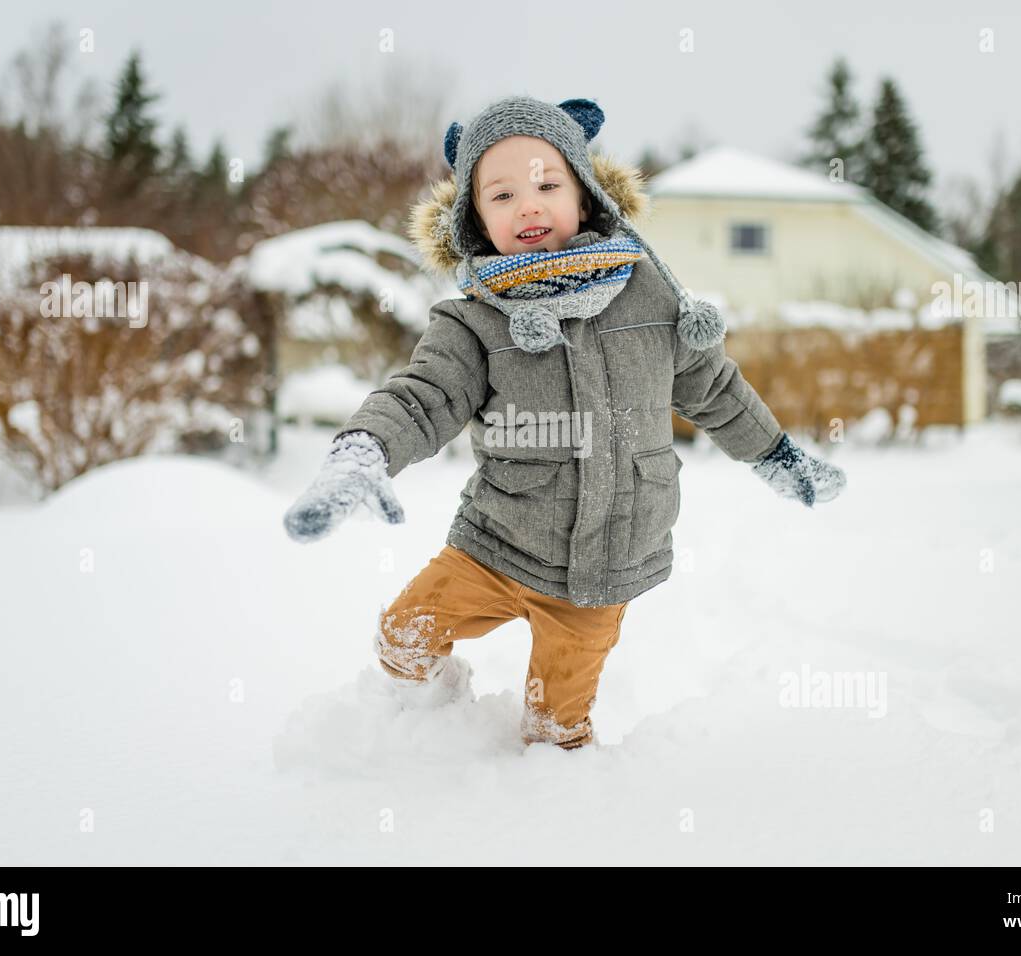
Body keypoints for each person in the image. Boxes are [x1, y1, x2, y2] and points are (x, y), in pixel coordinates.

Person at [283, 95, 846, 750]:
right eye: (501, 194)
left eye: (548, 184)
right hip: (494, 546)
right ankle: (421, 738)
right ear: (473, 218)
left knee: (555, 733)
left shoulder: (649, 294)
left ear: (586, 197)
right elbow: (422, 395)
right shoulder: (473, 320)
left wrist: (776, 454)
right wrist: (364, 450)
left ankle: (556, 814)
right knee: (400, 640)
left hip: (603, 568)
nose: (528, 204)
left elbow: (713, 388)